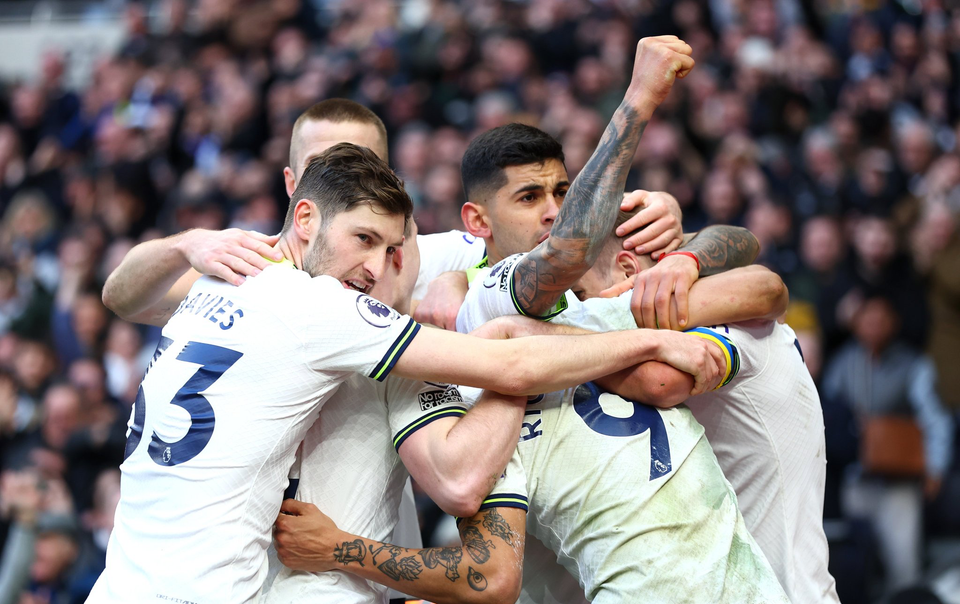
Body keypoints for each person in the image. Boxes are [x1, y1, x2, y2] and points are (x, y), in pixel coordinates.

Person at [89, 143, 724, 604]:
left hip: (122, 582)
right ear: (303, 215)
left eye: (392, 249)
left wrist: (184, 247)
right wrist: (643, 339)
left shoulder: (224, 276)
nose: (375, 267)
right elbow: (510, 362)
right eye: (363, 239)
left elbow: (123, 296)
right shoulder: (321, 306)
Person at [451, 85, 788, 600]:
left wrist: (685, 257)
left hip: (755, 577)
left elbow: (761, 277)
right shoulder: (482, 296)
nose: (553, 212)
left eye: (563, 194)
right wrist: (641, 96)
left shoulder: (613, 301)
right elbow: (555, 279)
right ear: (477, 221)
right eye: (529, 197)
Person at [558, 203, 842, 603]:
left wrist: (539, 341)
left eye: (580, 295)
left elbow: (661, 383)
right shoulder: (684, 320)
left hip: (787, 592)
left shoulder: (737, 322)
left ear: (627, 271)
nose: (575, 311)